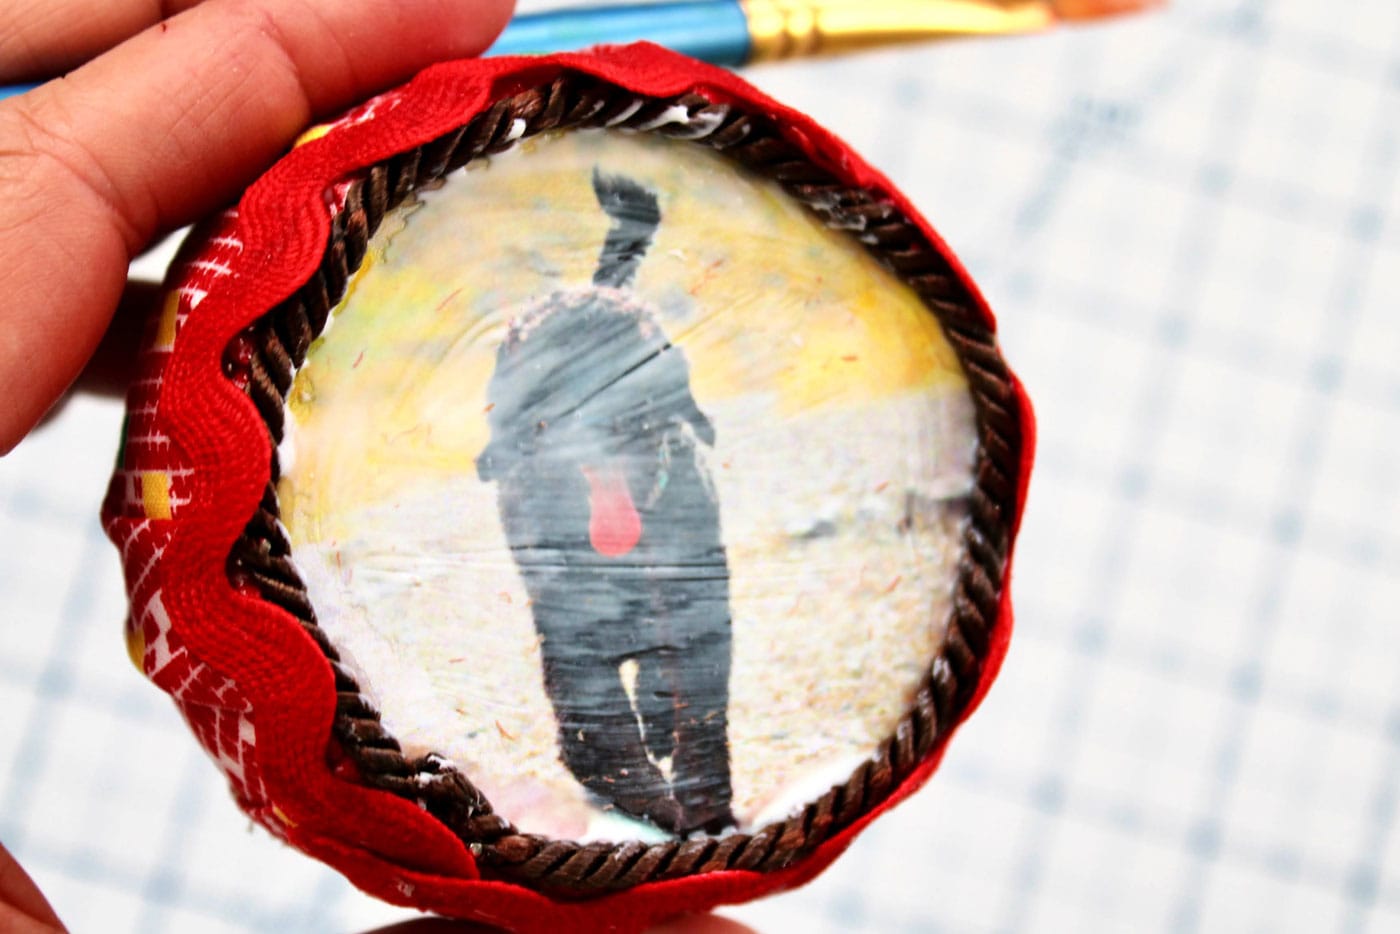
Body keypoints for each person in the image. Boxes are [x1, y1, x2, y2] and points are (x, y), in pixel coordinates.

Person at [0, 3, 752, 932]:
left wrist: (703, 806)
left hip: (622, 470)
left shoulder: (659, 454)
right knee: (594, 678)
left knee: (688, 661)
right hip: (507, 477)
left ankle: (694, 787)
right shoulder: (531, 465)